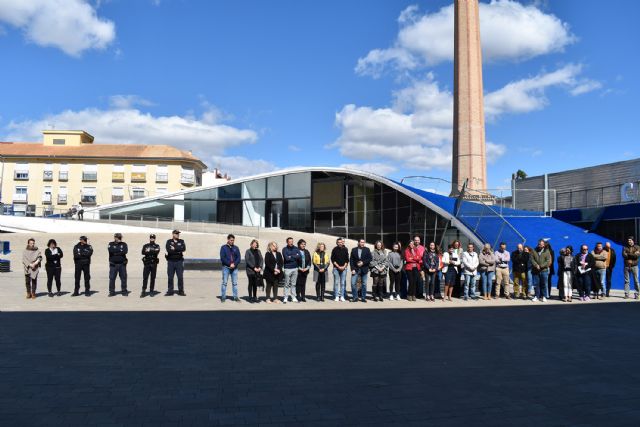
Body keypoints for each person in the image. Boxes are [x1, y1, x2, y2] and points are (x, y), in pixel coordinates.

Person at [220, 234, 241, 303]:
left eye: (233, 240)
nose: (232, 241)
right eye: (231, 240)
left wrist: (234, 264)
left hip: (234, 268)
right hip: (226, 268)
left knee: (235, 283)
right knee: (224, 283)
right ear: (228, 240)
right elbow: (222, 258)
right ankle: (223, 297)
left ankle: (235, 297)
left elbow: (239, 258)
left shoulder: (236, 248)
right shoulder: (223, 248)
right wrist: (229, 264)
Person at [165, 230, 186, 296]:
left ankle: (181, 291)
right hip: (171, 261)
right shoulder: (169, 241)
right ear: (173, 234)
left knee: (180, 277)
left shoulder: (181, 241)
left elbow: (183, 249)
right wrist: (178, 250)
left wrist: (175, 248)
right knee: (170, 277)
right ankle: (170, 291)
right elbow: (169, 250)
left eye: (178, 234)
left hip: (179, 262)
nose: (177, 235)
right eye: (176, 233)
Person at [108, 233, 128, 297]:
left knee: (123, 278)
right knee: (112, 278)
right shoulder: (110, 244)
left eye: (120, 238)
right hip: (113, 265)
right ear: (115, 237)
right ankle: (112, 291)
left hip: (122, 264)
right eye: (118, 238)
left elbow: (125, 251)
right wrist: (119, 251)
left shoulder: (124, 244)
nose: (119, 239)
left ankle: (124, 291)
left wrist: (115, 252)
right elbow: (110, 250)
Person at [281, 237, 301, 304]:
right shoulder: (284, 249)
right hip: (287, 268)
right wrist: (294, 256)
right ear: (287, 242)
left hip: (295, 268)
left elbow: (299, 256)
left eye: (292, 241)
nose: (291, 243)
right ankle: (285, 297)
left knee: (293, 284)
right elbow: (286, 258)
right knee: (286, 284)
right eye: (289, 241)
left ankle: (293, 297)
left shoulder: (296, 248)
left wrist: (291, 256)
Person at [245, 239, 263, 303]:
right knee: (251, 283)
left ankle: (255, 297)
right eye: (254, 243)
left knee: (255, 284)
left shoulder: (258, 251)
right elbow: (247, 261)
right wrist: (253, 267)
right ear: (251, 244)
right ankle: (250, 297)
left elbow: (261, 259)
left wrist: (260, 267)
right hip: (250, 270)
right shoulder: (248, 251)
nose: (255, 245)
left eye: (256, 244)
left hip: (258, 270)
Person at [331, 238, 349, 302]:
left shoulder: (345, 249)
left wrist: (344, 266)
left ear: (342, 242)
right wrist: (338, 266)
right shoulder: (334, 249)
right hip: (336, 268)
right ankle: (336, 296)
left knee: (343, 283)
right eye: (338, 242)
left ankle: (342, 296)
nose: (340, 243)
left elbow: (347, 259)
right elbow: (333, 259)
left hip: (344, 269)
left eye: (341, 242)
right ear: (337, 243)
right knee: (336, 283)